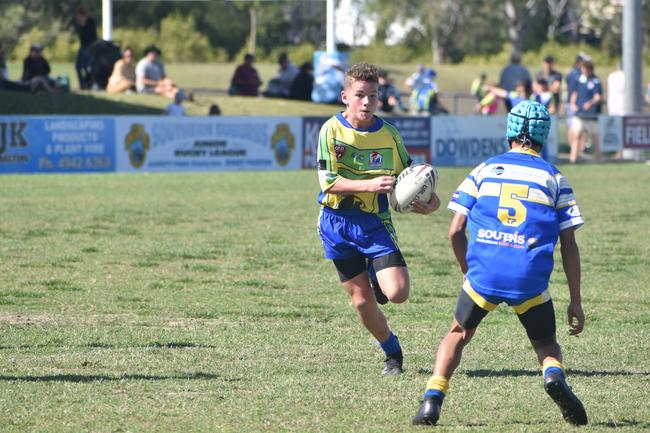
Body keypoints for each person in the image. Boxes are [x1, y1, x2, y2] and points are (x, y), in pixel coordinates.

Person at [412, 100, 588, 427]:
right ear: (544, 135)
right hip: (529, 279)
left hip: (484, 274)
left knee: (458, 332)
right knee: (546, 343)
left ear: (509, 131)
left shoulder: (484, 170)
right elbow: (569, 244)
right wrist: (575, 300)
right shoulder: (555, 178)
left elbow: (454, 231)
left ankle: (432, 399)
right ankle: (552, 375)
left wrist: (470, 272)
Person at [316, 63, 441, 375]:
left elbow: (412, 176)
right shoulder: (331, 131)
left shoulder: (389, 135)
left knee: (397, 294)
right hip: (336, 223)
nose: (367, 102)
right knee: (361, 303)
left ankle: (377, 274)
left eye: (373, 95)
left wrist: (431, 202)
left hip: (374, 222)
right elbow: (328, 182)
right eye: (360, 95)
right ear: (345, 96)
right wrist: (370, 184)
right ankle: (392, 353)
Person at [569, 59, 602, 163]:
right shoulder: (579, 80)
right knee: (576, 136)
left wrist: (590, 103)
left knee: (595, 137)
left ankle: (598, 159)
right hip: (579, 114)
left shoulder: (595, 81)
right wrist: (573, 104)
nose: (583, 70)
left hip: (591, 115)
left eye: (585, 68)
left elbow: (598, 97)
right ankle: (573, 159)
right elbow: (574, 93)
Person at [565, 54, 586, 160]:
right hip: (575, 103)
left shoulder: (570, 73)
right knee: (575, 127)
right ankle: (575, 149)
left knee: (573, 126)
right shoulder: (578, 73)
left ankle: (573, 149)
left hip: (571, 102)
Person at [73, 5, 98, 90]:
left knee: (88, 67)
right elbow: (81, 37)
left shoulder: (90, 22)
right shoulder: (79, 24)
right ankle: (82, 84)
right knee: (78, 66)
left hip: (90, 48)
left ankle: (89, 83)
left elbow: (92, 36)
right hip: (83, 47)